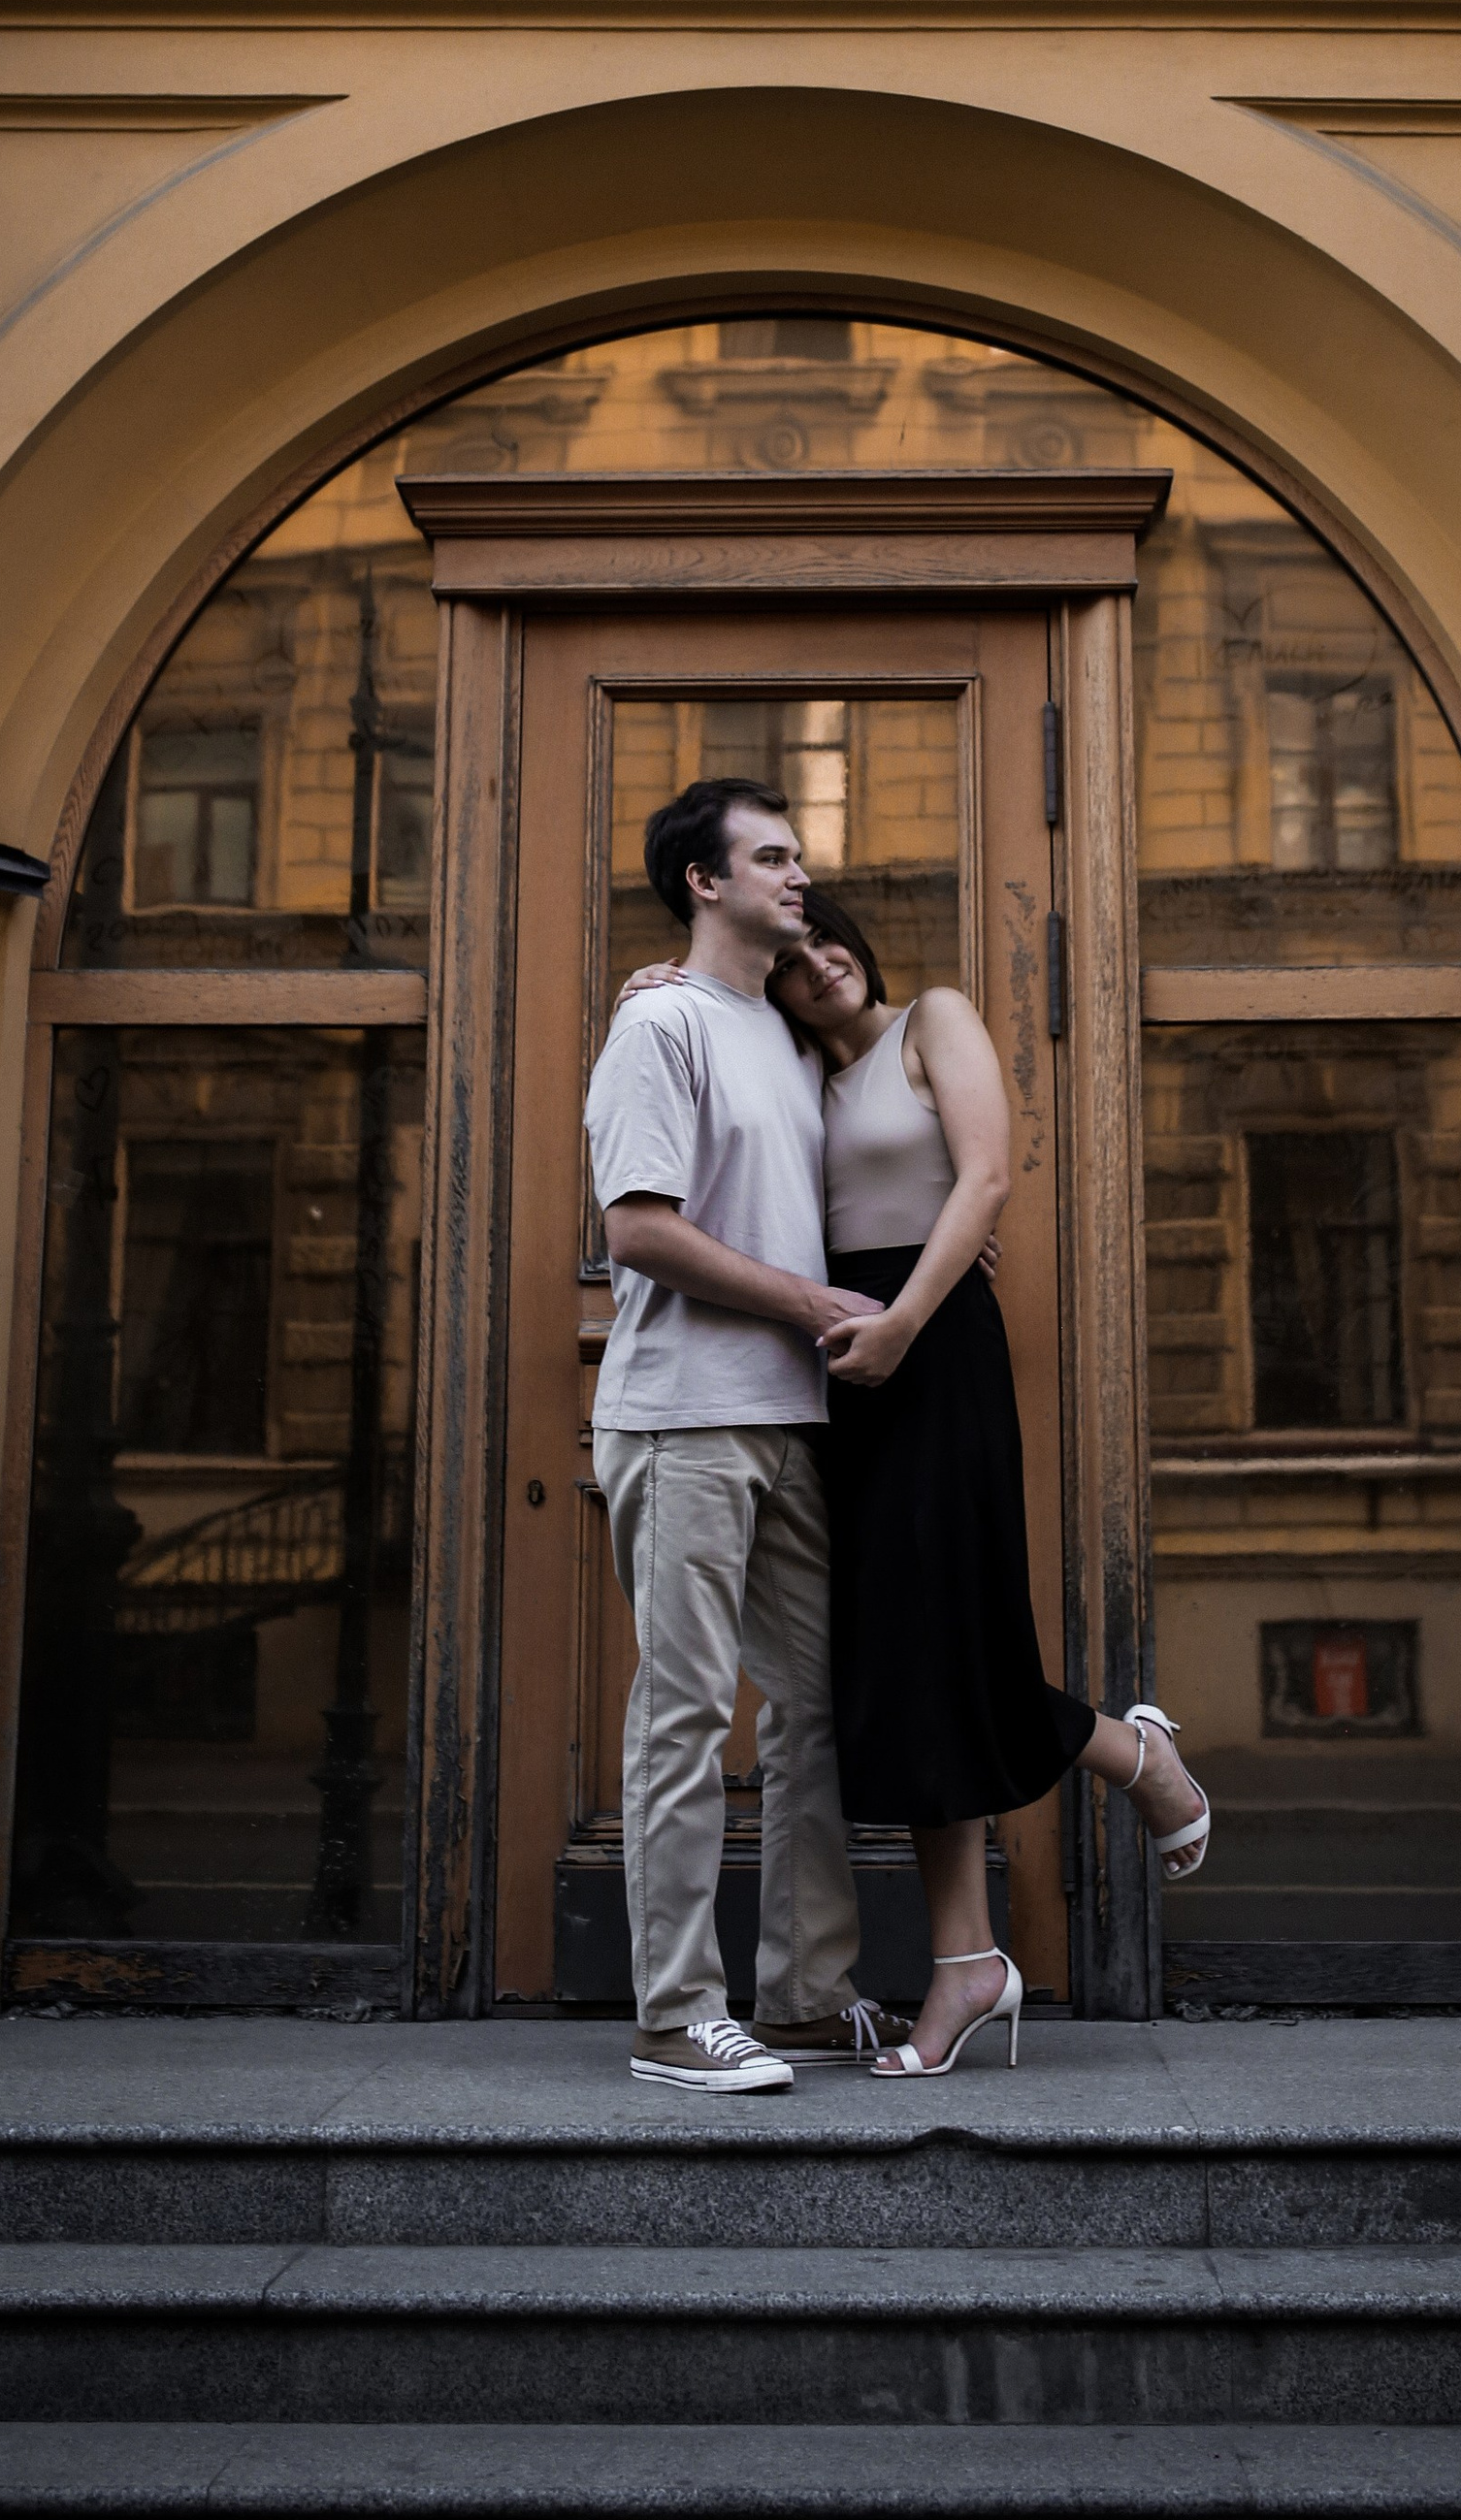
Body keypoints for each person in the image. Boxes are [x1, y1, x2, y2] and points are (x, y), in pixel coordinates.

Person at [629, 888, 1211, 2080]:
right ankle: (982, 1937)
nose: (817, 962)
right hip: (838, 1364)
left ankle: (1120, 1768)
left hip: (932, 1349)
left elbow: (986, 1181)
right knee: (899, 1663)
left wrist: (904, 1320)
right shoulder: (790, 1070)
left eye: (827, 937)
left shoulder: (931, 1019)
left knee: (942, 1641)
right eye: (791, 960)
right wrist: (655, 980)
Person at [582, 779, 913, 2094]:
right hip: (686, 1418)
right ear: (703, 882)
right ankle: (674, 2017)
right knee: (684, 1713)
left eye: (798, 855)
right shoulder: (659, 1024)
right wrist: (811, 1304)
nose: (799, 875)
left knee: (817, 1712)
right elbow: (638, 1231)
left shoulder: (779, 1031)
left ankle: (802, 1996)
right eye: (771, 856)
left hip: (791, 1422)